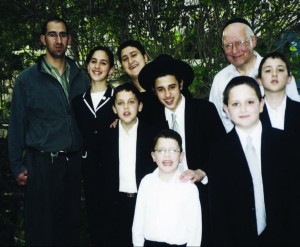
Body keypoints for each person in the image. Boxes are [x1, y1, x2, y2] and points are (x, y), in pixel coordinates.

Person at [8, 17, 90, 246]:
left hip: (72, 164)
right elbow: (16, 124)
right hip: (41, 164)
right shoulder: (27, 79)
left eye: (63, 35)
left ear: (69, 39)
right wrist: (17, 165)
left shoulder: (80, 77)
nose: (58, 40)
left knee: (70, 229)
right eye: (52, 34)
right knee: (42, 231)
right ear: (43, 39)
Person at [138, 54, 226, 246]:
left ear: (181, 84)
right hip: (167, 193)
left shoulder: (204, 111)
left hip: (202, 190)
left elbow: (220, 150)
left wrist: (202, 171)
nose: (167, 95)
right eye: (161, 90)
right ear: (154, 91)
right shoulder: (151, 119)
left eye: (172, 87)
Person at [208, 76, 300, 246]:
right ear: (226, 110)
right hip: (239, 239)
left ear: (261, 104)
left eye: (250, 102)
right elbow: (219, 210)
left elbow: (295, 198)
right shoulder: (217, 151)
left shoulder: (287, 144)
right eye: (235, 104)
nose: (243, 109)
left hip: (285, 237)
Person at [209, 17, 300, 132]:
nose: (235, 51)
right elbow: (215, 122)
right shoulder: (220, 79)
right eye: (228, 45)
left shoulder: (278, 73)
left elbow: (295, 115)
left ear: (254, 41)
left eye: (240, 43)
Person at [101, 83, 157, 246]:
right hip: (116, 203)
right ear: (114, 109)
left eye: (131, 102)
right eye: (120, 103)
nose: (126, 107)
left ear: (139, 106)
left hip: (145, 202)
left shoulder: (152, 134)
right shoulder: (106, 136)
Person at [72, 45, 116, 246]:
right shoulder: (78, 102)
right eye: (94, 61)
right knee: (95, 221)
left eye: (104, 62)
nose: (98, 66)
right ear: (87, 65)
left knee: (116, 222)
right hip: (90, 171)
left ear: (111, 70)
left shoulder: (120, 98)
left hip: (116, 170)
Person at [132, 129, 202, 247]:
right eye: (161, 150)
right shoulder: (146, 182)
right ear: (153, 156)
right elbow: (138, 222)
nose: (167, 155)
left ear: (181, 156)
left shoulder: (189, 188)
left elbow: (195, 230)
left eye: (173, 150)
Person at [257, 51, 300, 139]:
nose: (274, 74)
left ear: (289, 78)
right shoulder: (252, 113)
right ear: (259, 80)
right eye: (268, 70)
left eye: (280, 70)